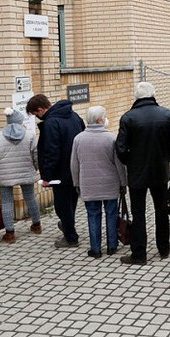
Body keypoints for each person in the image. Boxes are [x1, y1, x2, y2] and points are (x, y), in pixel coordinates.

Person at [116, 82, 170, 265]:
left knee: (139, 213)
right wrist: (165, 158)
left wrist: (130, 162)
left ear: (136, 96)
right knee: (161, 210)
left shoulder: (128, 118)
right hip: (160, 171)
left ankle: (139, 254)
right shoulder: (166, 115)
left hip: (137, 173)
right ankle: (164, 248)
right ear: (153, 94)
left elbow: (120, 147)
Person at [26, 94, 85, 248]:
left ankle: (71, 237)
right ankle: (67, 226)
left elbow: (51, 151)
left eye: (35, 114)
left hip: (60, 173)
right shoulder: (74, 115)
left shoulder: (51, 123)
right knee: (71, 202)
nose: (37, 117)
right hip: (76, 168)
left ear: (40, 109)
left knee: (62, 205)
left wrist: (47, 176)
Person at [71, 106, 127, 259]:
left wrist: (76, 183)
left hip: (88, 184)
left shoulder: (78, 139)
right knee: (111, 213)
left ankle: (95, 249)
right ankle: (112, 246)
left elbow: (74, 164)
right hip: (110, 183)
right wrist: (123, 183)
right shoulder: (111, 138)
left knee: (93, 215)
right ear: (100, 120)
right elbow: (119, 165)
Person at [0, 108, 41, 244]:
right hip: (26, 171)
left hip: (5, 175)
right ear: (20, 121)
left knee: (7, 202)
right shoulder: (30, 135)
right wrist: (36, 168)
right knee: (30, 197)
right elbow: (36, 155)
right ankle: (36, 225)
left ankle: (10, 233)